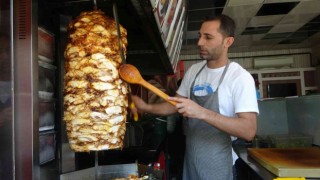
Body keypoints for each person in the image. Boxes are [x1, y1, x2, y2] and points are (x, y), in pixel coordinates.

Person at [131, 14, 259, 180]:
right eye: (200, 36)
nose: (199, 42)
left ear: (228, 42)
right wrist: (146, 107)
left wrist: (202, 112)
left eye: (208, 37)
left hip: (219, 165)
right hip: (191, 162)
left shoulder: (239, 77)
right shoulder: (194, 71)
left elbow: (248, 130)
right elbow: (174, 104)